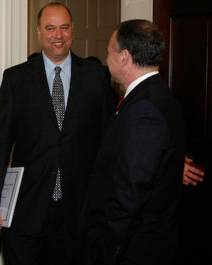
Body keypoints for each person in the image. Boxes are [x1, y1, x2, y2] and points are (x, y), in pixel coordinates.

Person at [0, 2, 116, 265]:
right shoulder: (16, 79)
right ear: (39, 32)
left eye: (64, 27)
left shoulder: (97, 77)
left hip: (79, 211)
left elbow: (111, 137)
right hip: (27, 210)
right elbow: (0, 143)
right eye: (50, 28)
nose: (58, 35)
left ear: (72, 30)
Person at [78, 19, 186, 265]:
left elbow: (130, 193)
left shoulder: (145, 108)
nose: (107, 60)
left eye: (108, 52)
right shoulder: (154, 94)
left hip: (133, 249)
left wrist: (104, 250)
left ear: (124, 57)